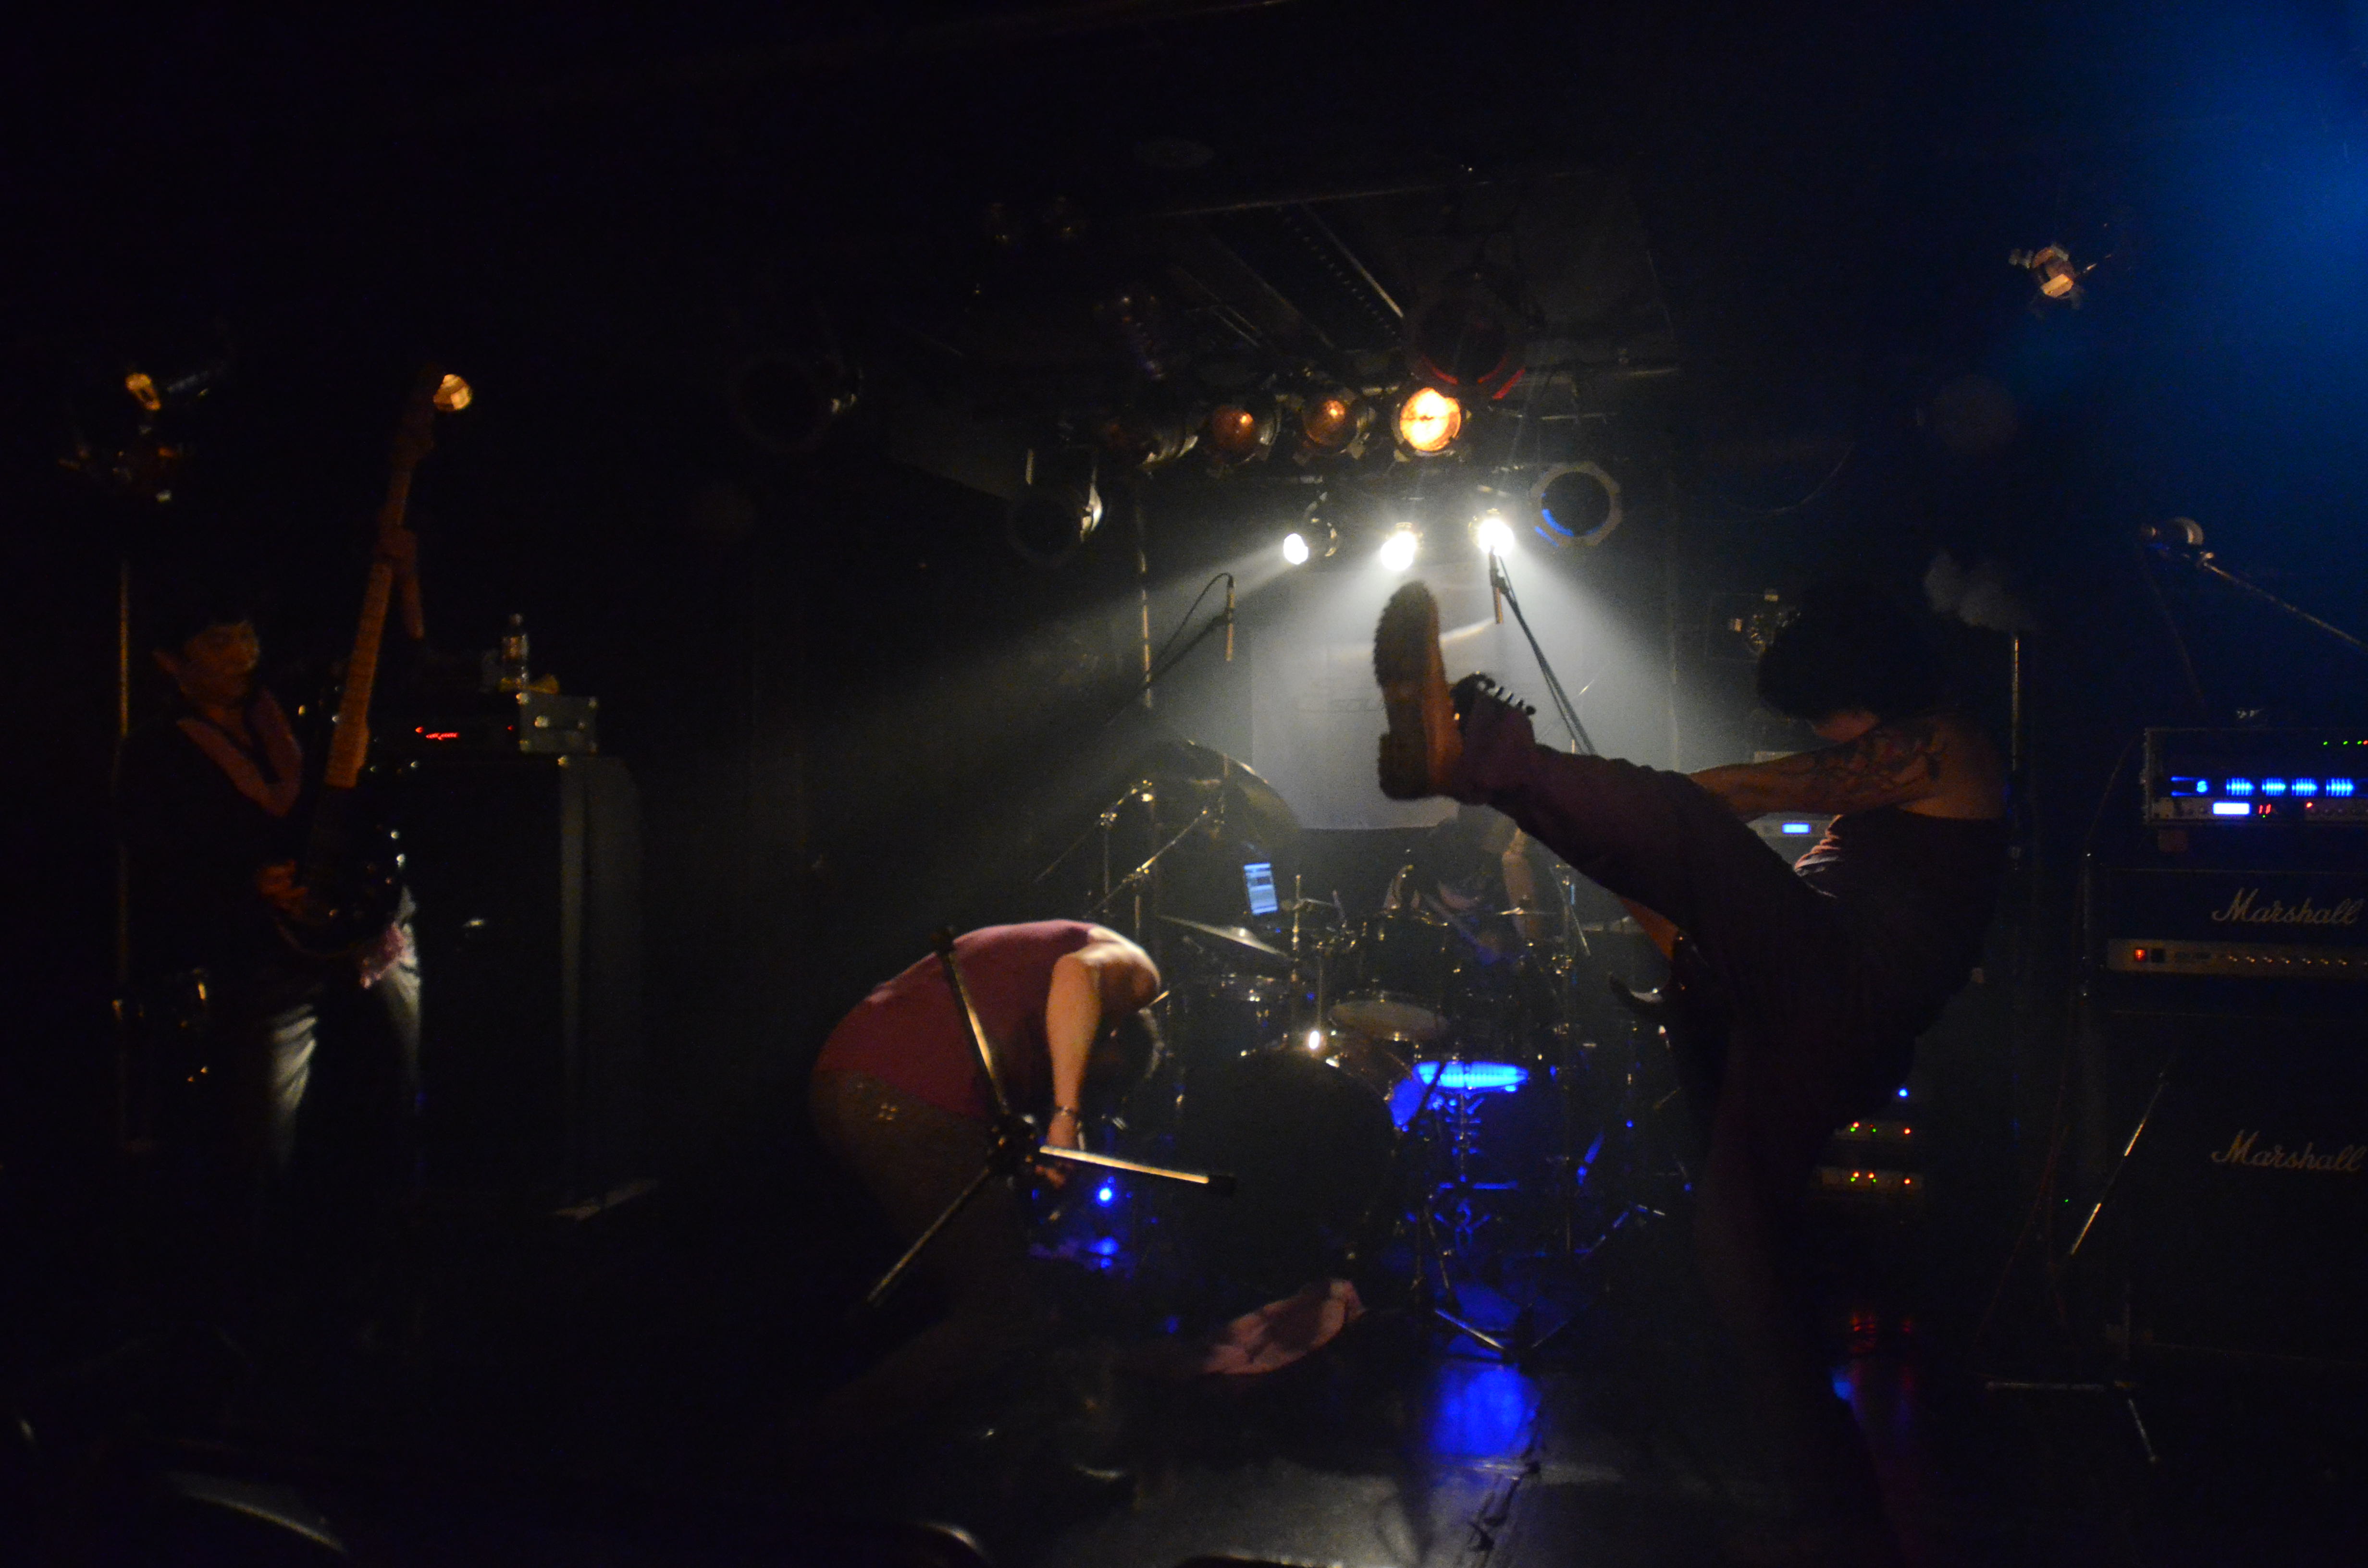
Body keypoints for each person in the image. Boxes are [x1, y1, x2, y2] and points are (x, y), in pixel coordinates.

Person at [1374, 578, 2004, 1565]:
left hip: (1840, 993)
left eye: (1828, 716)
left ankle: (1485, 759)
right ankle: (1837, 1513)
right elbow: (1688, 891)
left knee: (1687, 825)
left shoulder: (1944, 747)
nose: (1821, 735)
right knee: (1734, 1245)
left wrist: (1611, 796)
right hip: (1803, 1021)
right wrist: (1636, 880)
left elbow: (1746, 798)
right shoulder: (1875, 814)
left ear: (1869, 692)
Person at [117, 591, 420, 1342]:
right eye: (217, 643)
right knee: (257, 1137)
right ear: (171, 663)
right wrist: (246, 884)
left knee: (390, 1098)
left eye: (245, 635)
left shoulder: (298, 712)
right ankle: (245, 1309)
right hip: (263, 955)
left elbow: (392, 691)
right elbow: (158, 867)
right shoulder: (157, 751)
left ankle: (374, 1277)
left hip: (362, 931)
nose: (240, 654)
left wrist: (403, 581)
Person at [805, 921, 1161, 1448]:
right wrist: (1066, 1114)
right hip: (910, 1091)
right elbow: (1076, 975)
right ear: (1116, 1033)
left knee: (944, 1289)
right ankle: (804, 1453)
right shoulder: (1134, 973)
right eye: (1100, 1077)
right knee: (1004, 1313)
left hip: (841, 1075)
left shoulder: (1024, 972)